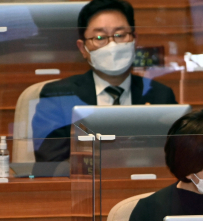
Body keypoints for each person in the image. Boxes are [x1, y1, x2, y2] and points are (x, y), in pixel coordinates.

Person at [32, 0, 177, 162]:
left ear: (134, 40)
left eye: (120, 35)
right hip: (84, 185)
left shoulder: (161, 96)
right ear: (83, 48)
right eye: (100, 37)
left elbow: (177, 159)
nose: (112, 45)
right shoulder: (58, 96)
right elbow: (50, 161)